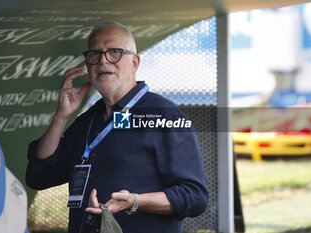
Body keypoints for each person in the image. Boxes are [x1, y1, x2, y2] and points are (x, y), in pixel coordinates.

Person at [26, 22, 209, 233]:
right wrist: (61, 116)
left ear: (135, 62)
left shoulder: (163, 115)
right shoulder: (87, 122)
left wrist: (134, 201)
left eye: (114, 52)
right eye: (95, 54)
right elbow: (38, 176)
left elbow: (195, 196)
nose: (103, 60)